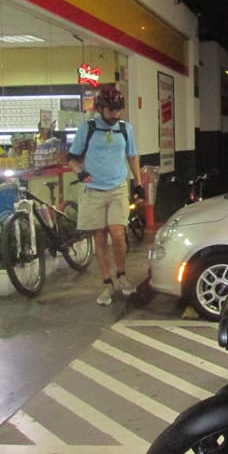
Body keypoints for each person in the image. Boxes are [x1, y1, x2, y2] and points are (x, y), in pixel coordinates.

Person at [68, 86, 144, 306]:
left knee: (118, 233)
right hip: (93, 190)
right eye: (111, 110)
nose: (115, 114)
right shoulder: (88, 128)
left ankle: (121, 273)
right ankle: (107, 282)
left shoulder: (125, 129)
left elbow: (132, 157)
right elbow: (72, 157)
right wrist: (79, 172)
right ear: (101, 108)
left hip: (117, 187)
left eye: (118, 110)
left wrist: (138, 183)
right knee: (100, 237)